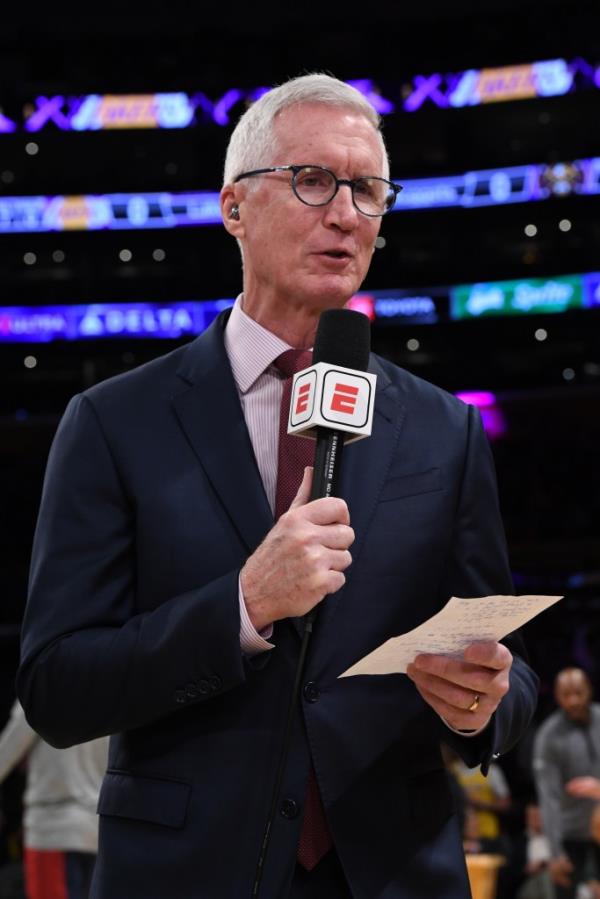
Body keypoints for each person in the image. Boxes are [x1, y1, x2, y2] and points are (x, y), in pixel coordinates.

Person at [16, 73, 539, 899]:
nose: (345, 213)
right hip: (188, 874)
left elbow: (503, 662)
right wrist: (243, 607)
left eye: (368, 190)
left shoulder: (445, 428)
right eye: (312, 180)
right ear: (233, 207)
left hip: (394, 871)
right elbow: (55, 686)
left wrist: (484, 704)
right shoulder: (115, 422)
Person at [0, 700, 108, 899]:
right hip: (96, 832)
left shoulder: (43, 685)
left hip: (52, 830)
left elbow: (6, 752)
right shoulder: (107, 695)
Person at [533, 668, 600, 898]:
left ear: (589, 690)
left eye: (579, 692)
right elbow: (548, 797)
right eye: (566, 694)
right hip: (570, 836)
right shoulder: (549, 736)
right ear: (557, 696)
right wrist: (555, 853)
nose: (573, 701)